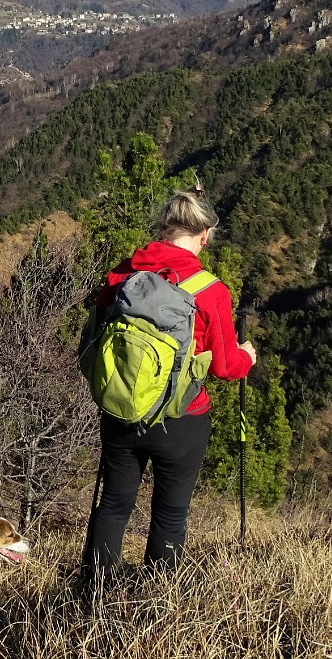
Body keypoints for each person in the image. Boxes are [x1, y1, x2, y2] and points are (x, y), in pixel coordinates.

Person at [81, 188, 257, 577]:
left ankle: (93, 598)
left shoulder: (123, 275)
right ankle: (157, 605)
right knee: (170, 513)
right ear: (205, 234)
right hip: (182, 418)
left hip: (121, 410)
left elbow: (92, 341)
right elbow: (226, 367)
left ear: (163, 227)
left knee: (112, 504)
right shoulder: (210, 291)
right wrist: (248, 355)